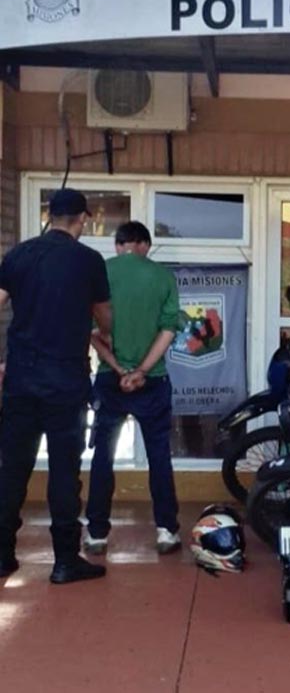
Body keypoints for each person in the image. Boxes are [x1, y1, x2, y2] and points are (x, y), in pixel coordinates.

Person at [0, 188, 111, 584]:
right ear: (82, 219)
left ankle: (2, 555)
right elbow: (104, 316)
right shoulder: (88, 260)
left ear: (49, 216)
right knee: (65, 471)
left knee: (12, 468)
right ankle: (65, 561)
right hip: (65, 381)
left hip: (21, 379)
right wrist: (104, 331)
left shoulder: (19, 255)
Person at [84, 221, 181, 555]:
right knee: (159, 456)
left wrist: (119, 368)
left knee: (103, 456)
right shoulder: (163, 277)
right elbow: (168, 330)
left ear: (118, 245)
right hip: (152, 380)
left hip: (110, 381)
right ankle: (166, 530)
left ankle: (96, 533)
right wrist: (140, 371)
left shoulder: (100, 273)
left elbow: (91, 332)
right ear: (145, 246)